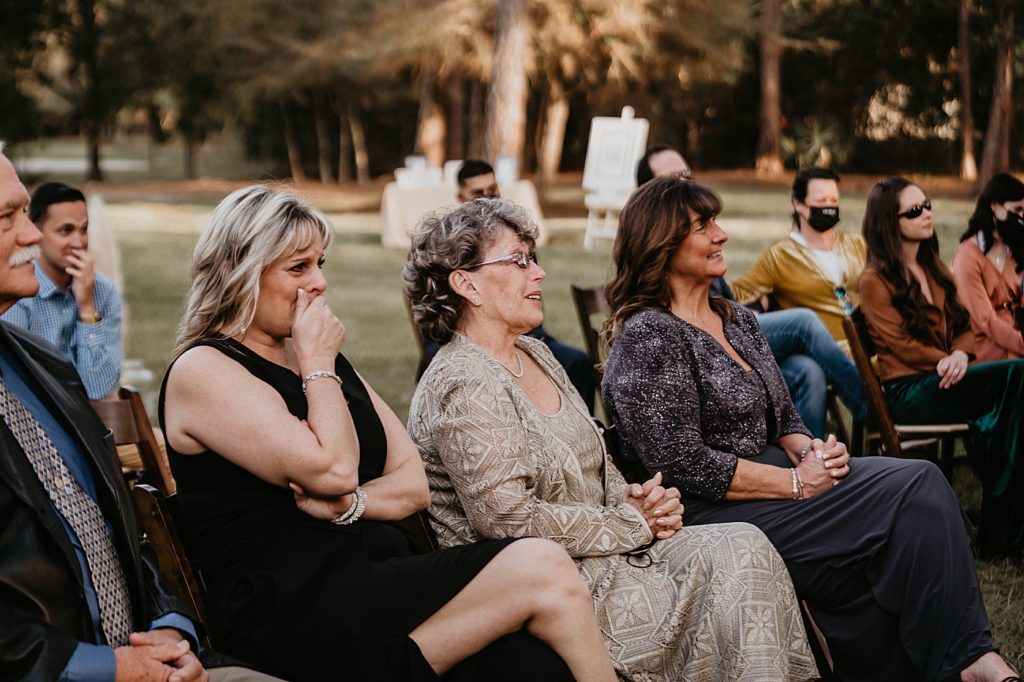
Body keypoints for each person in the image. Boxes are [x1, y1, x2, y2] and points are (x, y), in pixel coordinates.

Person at [160, 184, 618, 682]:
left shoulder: (317, 358)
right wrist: (317, 365)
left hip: (374, 581)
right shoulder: (204, 369)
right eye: (298, 268)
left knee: (535, 667)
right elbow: (332, 468)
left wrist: (351, 504)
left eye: (321, 263)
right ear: (236, 273)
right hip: (294, 606)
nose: (318, 284)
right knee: (542, 566)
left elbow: (413, 482)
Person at [601, 175, 1020, 682]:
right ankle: (972, 661)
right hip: (710, 511)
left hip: (777, 483)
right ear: (661, 244)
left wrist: (813, 451)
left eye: (716, 220)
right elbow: (682, 463)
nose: (721, 234)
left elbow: (786, 420)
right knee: (919, 487)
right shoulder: (649, 335)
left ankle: (942, 662)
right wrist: (797, 483)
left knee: (900, 517)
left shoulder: (735, 319)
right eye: (703, 225)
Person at [403, 198, 819, 681]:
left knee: (744, 543)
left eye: (533, 259)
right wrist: (631, 524)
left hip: (609, 552)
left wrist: (641, 498)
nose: (538, 274)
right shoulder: (464, 381)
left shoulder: (535, 355)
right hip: (552, 583)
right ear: (465, 282)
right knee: (732, 562)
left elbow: (597, 465)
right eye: (518, 261)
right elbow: (506, 521)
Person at [0, 147, 279, 681]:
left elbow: (120, 527)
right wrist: (114, 669)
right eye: (6, 217)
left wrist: (174, 631)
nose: (32, 237)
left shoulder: (47, 365)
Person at [635, 146, 867, 437]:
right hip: (709, 337)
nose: (686, 182)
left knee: (808, 370)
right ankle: (874, 411)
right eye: (673, 178)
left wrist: (746, 310)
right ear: (649, 191)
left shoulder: (701, 236)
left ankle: (814, 459)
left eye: (687, 174)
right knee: (803, 323)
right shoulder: (653, 246)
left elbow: (726, 296)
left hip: (731, 324)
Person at [860, 176, 1024, 559]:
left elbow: (964, 325)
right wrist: (947, 359)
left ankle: (1003, 524)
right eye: (914, 210)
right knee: (1017, 379)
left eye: (928, 204)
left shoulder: (933, 265)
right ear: (889, 221)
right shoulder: (874, 279)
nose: (926, 213)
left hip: (948, 377)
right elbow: (898, 343)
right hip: (911, 390)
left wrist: (962, 354)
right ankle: (1003, 529)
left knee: (1010, 406)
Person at [439, 159, 595, 411]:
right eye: (478, 193)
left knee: (576, 361)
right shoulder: (450, 248)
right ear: (459, 196)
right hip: (474, 341)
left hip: (528, 335)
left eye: (493, 190)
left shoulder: (514, 238)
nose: (488, 198)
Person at [0, 182, 122, 399]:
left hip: (91, 423)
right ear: (36, 232)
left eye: (83, 230)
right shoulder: (19, 294)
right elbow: (16, 388)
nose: (78, 242)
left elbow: (100, 389)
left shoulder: (103, 291)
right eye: (66, 230)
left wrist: (87, 308)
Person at [729, 167, 867, 345]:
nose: (829, 206)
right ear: (798, 204)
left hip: (869, 344)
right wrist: (757, 306)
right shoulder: (780, 256)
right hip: (827, 350)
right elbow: (735, 292)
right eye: (821, 200)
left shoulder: (858, 244)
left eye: (834, 200)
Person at [952, 172, 1024, 361]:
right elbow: (985, 320)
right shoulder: (968, 257)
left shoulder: (1014, 249)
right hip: (986, 345)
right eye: (1017, 210)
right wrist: (1021, 344)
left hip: (1015, 336)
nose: (1021, 217)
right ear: (994, 207)